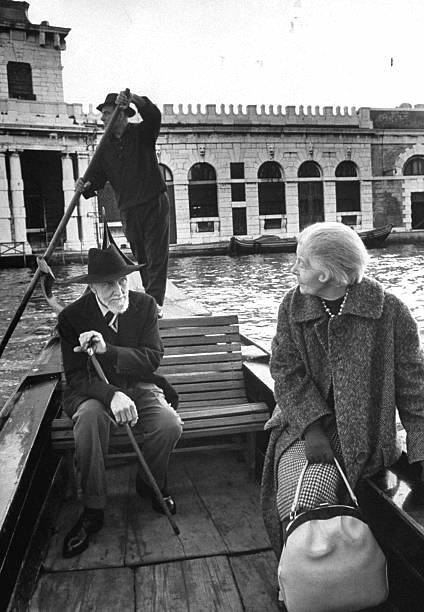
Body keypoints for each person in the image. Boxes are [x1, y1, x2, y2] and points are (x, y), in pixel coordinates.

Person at [261, 221, 424, 569]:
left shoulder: (391, 312)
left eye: (302, 262)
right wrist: (312, 428)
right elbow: (285, 371)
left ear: (328, 273)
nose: (294, 269)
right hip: (303, 428)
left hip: (366, 436)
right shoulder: (292, 306)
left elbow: (414, 390)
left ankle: (338, 580)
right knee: (299, 500)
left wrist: (421, 452)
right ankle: (303, 581)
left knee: (318, 499)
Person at [58, 243, 182, 558]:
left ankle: (149, 483)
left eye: (123, 280)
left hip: (138, 384)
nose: (119, 289)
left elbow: (152, 358)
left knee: (169, 425)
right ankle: (93, 508)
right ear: (91, 286)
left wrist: (108, 352)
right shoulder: (73, 318)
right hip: (92, 393)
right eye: (108, 284)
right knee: (89, 421)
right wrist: (111, 395)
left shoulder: (144, 305)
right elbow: (76, 377)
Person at [76, 90, 169, 318]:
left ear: (121, 115)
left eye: (106, 113)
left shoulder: (142, 134)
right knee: (142, 257)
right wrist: (84, 186)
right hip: (128, 209)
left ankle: (155, 304)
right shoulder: (104, 148)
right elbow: (96, 178)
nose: (102, 119)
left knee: (156, 254)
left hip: (153, 201)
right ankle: (150, 298)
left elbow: (154, 115)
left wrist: (135, 99)